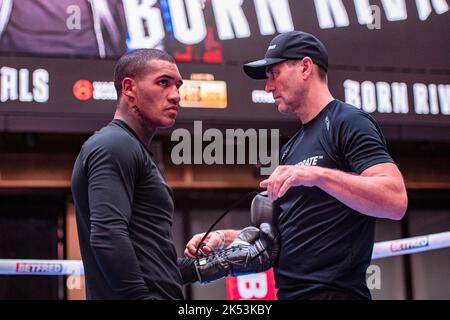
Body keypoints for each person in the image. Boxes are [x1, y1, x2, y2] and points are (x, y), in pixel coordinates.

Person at [184, 31, 408, 300]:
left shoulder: (347, 121)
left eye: (274, 73)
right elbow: (278, 237)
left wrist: (315, 175)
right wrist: (223, 238)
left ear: (304, 67)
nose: (268, 87)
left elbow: (395, 200)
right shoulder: (291, 148)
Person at [71, 49, 184, 299]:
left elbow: (153, 265)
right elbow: (107, 235)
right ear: (129, 88)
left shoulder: (129, 147)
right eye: (163, 83)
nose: (175, 95)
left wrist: (215, 265)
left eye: (178, 86)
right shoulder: (114, 145)